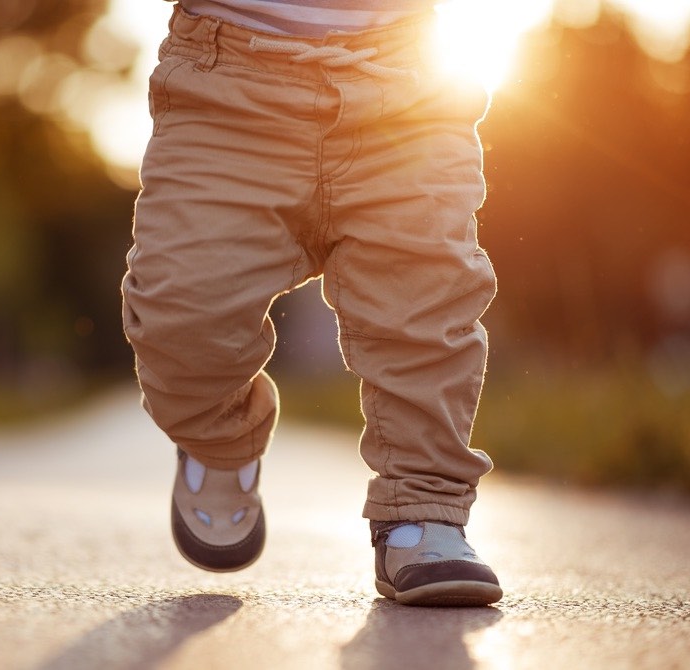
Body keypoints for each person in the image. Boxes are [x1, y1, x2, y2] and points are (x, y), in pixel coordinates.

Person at [121, 0, 502, 607]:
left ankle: (422, 511)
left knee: (425, 306)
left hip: (407, 82)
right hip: (227, 82)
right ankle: (219, 437)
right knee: (182, 311)